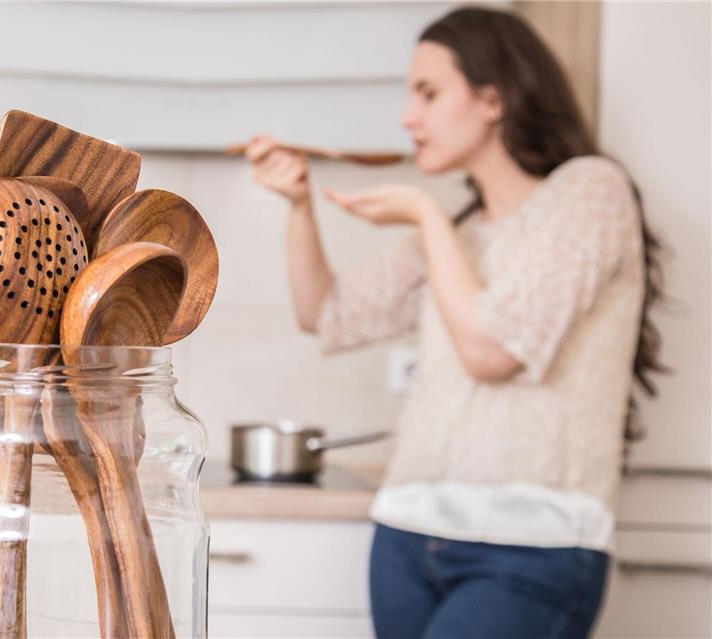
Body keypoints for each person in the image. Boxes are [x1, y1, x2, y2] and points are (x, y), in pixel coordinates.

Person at [246, 6, 666, 639]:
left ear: (492, 99)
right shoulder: (457, 230)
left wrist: (424, 214)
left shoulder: (590, 191)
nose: (408, 117)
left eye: (429, 93)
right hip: (408, 535)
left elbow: (491, 351)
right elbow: (326, 314)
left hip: (532, 548)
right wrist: (299, 204)